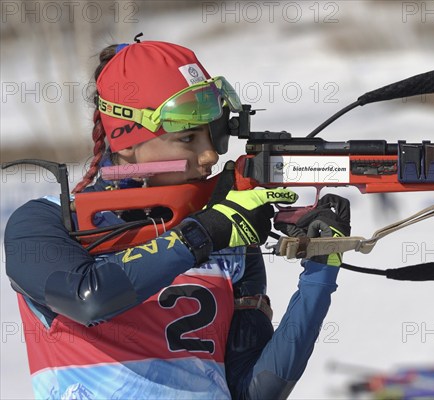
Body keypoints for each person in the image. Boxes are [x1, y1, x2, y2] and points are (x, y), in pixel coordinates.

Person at [3, 39, 351, 399]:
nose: (209, 155)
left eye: (213, 135)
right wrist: (205, 234)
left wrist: (320, 272)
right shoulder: (47, 223)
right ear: (124, 142)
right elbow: (88, 298)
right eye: (187, 138)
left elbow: (255, 391)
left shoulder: (230, 242)